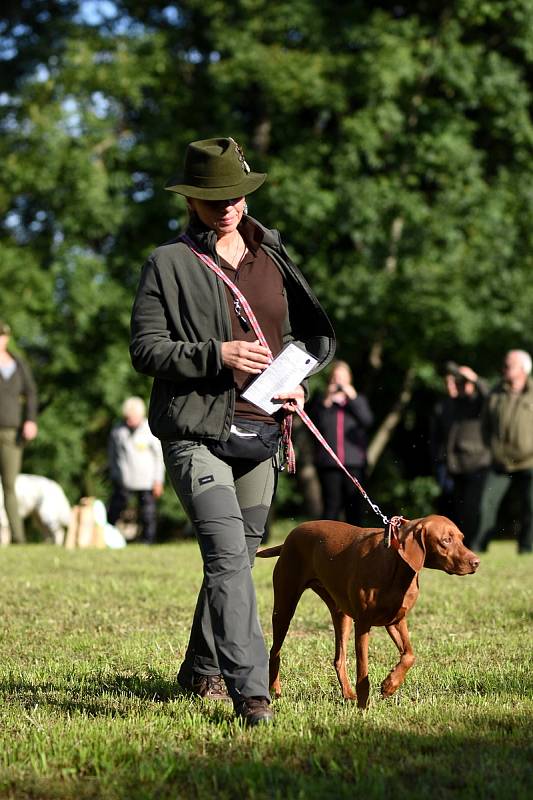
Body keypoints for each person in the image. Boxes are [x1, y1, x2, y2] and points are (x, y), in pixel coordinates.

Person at [130, 136, 335, 726]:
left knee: (236, 563)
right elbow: (146, 350)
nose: (226, 207)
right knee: (225, 557)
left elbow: (297, 337)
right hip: (195, 431)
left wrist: (297, 378)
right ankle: (251, 694)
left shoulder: (272, 255)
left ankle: (200, 669)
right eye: (212, 197)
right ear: (191, 200)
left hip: (262, 431)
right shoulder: (166, 263)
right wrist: (215, 353)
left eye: (236, 195)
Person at [471, 350, 533, 554]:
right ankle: (479, 547)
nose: (504, 369)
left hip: (529, 462)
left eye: (509, 366)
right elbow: (485, 425)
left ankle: (527, 548)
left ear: (523, 369)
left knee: (531, 506)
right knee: (485, 504)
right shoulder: (496, 393)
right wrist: (493, 448)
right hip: (500, 462)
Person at [429, 363, 491, 546]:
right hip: (454, 465)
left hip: (476, 463)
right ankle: (459, 543)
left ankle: (475, 543)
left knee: (473, 507)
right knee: (457, 508)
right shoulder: (450, 405)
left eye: (464, 383)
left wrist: (474, 378)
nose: (460, 385)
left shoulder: (478, 404)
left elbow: (490, 396)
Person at [308, 360, 373, 524]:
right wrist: (327, 401)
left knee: (355, 507)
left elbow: (367, 421)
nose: (339, 382)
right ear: (330, 380)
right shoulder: (323, 403)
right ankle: (327, 545)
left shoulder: (358, 401)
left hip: (354, 462)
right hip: (329, 463)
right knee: (331, 506)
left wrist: (353, 398)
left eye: (343, 378)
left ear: (349, 379)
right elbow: (316, 425)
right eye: (336, 378)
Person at [107, 396, 165, 544]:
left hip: (146, 482)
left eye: (131, 418)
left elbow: (159, 457)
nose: (128, 421)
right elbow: (112, 455)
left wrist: (158, 480)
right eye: (126, 418)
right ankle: (107, 538)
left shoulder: (150, 430)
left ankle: (148, 542)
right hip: (124, 481)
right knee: (114, 511)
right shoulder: (118, 431)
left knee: (148, 515)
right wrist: (114, 475)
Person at [0, 321, 38, 544]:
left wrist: (30, 420)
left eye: (3, 336)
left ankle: (18, 538)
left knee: (9, 485)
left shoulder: (18, 364)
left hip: (11, 432)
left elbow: (31, 393)